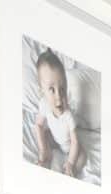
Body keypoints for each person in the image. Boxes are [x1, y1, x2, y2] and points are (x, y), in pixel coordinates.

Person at [33, 48, 86, 178]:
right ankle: (46, 157)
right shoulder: (44, 104)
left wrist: (70, 162)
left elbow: (75, 142)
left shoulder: (68, 116)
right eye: (51, 89)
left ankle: (69, 172)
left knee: (82, 156)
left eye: (62, 88)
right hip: (54, 138)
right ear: (42, 91)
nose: (59, 95)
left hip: (69, 146)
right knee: (44, 134)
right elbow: (38, 126)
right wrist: (43, 149)